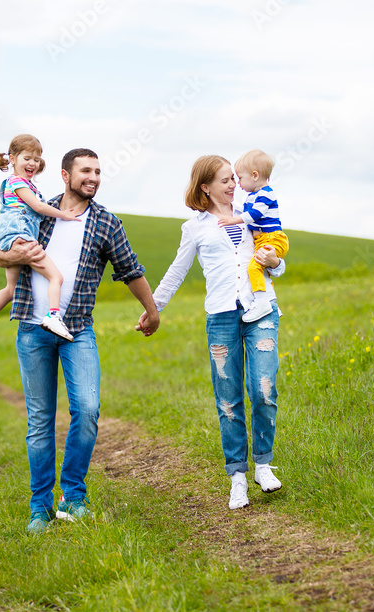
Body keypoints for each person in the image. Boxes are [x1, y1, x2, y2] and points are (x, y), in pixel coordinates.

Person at [0, 148, 160, 533]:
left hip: (77, 330)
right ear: (65, 176)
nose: (93, 177)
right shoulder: (38, 211)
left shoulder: (106, 224)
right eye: (86, 170)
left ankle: (73, 497)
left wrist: (152, 311)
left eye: (97, 171)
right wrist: (3, 256)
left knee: (88, 409)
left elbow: (130, 270)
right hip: (32, 330)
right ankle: (39, 508)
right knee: (40, 420)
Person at [137, 155, 285, 511]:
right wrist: (154, 308)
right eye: (224, 180)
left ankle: (263, 465)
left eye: (234, 178)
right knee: (228, 399)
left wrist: (276, 263)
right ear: (205, 187)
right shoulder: (195, 228)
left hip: (261, 309)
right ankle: (237, 477)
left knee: (263, 389)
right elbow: (177, 271)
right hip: (220, 316)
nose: (233, 184)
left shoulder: (253, 213)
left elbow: (276, 258)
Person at [0, 134, 80, 353]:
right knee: (56, 278)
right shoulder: (18, 182)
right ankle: (53, 316)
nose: (32, 163)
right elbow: (38, 207)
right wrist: (64, 214)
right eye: (27, 158)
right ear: (12, 159)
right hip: (22, 237)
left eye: (36, 159)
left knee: (11, 289)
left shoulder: (16, 184)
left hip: (9, 240)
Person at [215, 149, 289, 323]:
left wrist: (233, 220)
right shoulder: (252, 196)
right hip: (263, 239)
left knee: (254, 267)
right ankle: (264, 301)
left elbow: (254, 215)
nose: (237, 183)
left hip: (272, 239)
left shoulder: (265, 194)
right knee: (257, 267)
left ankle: (262, 303)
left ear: (255, 175)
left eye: (240, 178)